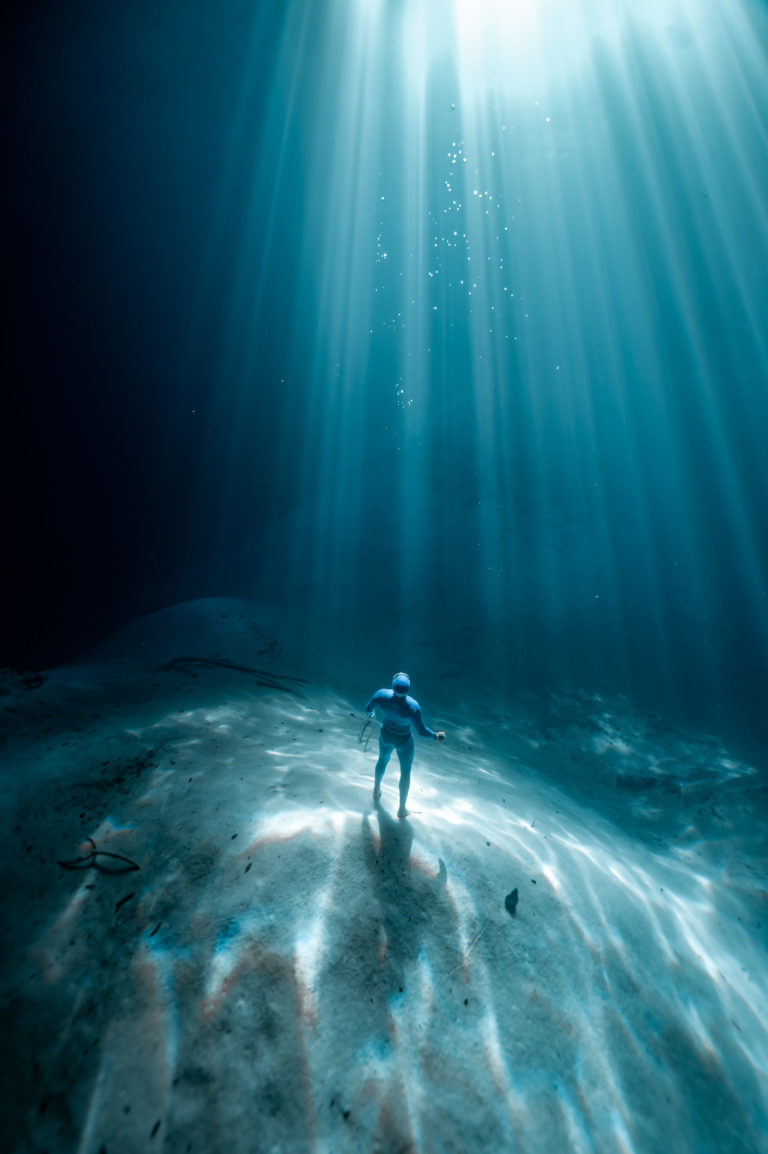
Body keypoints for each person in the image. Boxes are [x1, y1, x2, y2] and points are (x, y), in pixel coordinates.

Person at [365, 672, 445, 818]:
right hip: (404, 740)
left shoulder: (381, 695)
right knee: (405, 772)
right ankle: (402, 809)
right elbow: (422, 732)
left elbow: (368, 709)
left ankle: (376, 790)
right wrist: (436, 736)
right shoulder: (413, 706)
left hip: (386, 735)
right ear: (408, 688)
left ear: (393, 684)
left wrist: (372, 715)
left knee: (382, 760)